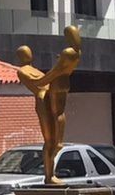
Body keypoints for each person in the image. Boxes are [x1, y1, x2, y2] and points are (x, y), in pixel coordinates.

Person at [13, 26, 83, 184]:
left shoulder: (34, 68)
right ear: (21, 56)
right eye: (26, 52)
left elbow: (49, 78)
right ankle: (49, 175)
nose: (29, 53)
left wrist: (56, 72)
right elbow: (40, 83)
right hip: (43, 99)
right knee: (50, 139)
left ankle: (51, 171)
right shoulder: (23, 71)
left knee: (55, 135)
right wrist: (55, 72)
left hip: (50, 94)